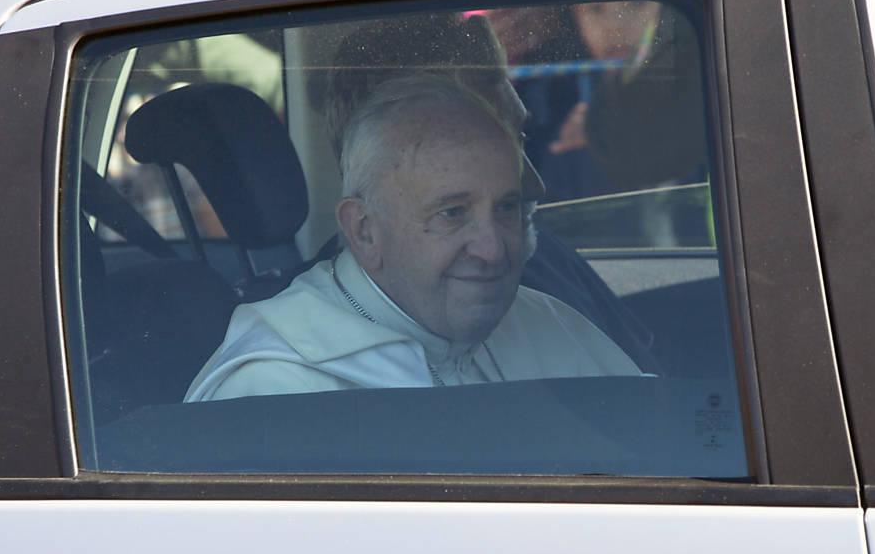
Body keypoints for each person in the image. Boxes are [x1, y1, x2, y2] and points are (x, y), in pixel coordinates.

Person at [185, 76, 639, 400]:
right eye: (452, 213)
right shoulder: (279, 391)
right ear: (365, 231)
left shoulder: (546, 321)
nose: (494, 249)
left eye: (506, 207)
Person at [317, 12, 659, 373]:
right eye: (452, 209)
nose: (533, 186)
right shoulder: (297, 372)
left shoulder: (546, 262)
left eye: (518, 140)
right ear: (363, 228)